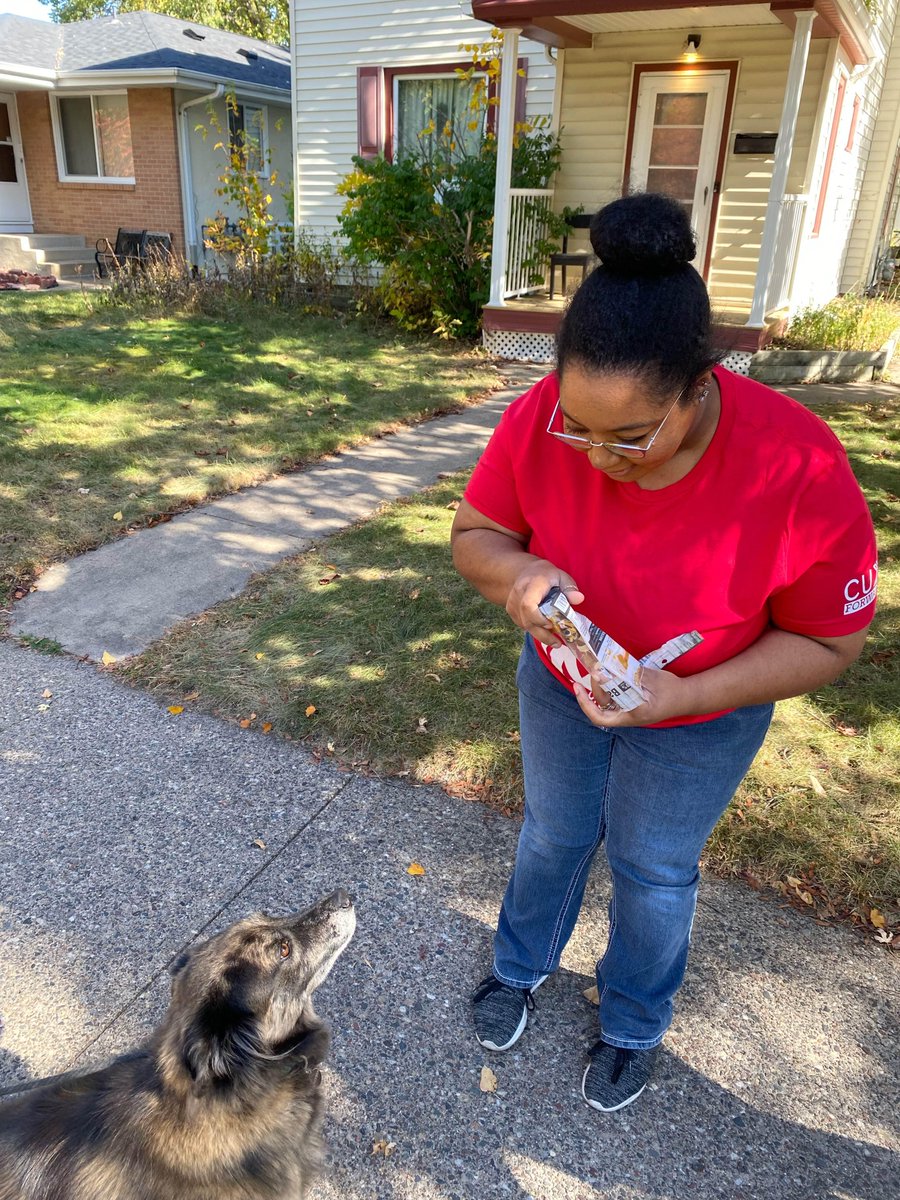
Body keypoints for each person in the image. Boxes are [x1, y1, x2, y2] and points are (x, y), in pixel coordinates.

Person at [450, 192, 877, 1114]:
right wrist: (517, 572)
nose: (599, 456)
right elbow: (477, 531)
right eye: (580, 427)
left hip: (703, 712)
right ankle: (518, 969)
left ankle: (633, 1022)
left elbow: (830, 639)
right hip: (565, 682)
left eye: (633, 435)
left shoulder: (797, 463)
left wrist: (684, 698)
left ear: (700, 386)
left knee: (653, 868)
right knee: (554, 834)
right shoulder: (541, 415)